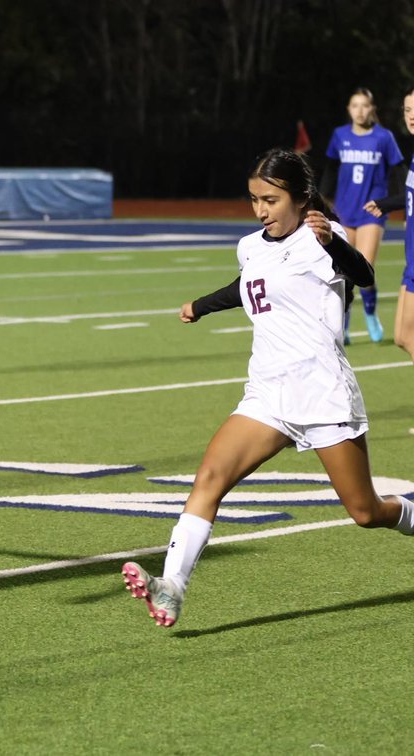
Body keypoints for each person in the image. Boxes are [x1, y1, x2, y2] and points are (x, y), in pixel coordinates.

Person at [122, 148, 414, 628]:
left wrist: (334, 244)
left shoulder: (324, 237)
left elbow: (363, 275)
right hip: (267, 393)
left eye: (271, 200)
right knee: (209, 480)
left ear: (300, 199)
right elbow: (248, 286)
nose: (261, 210)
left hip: (321, 391)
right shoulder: (251, 244)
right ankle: (171, 585)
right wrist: (200, 304)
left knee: (365, 511)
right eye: (255, 199)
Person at [320, 87, 405, 343]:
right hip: (344, 211)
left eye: (364, 105)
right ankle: (342, 324)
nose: (359, 110)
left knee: (364, 267)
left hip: (371, 212)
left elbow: (399, 173)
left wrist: (393, 202)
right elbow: (331, 170)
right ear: (349, 109)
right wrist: (322, 200)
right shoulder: (339, 135)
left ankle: (370, 313)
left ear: (372, 109)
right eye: (354, 105)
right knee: (343, 271)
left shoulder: (384, 137)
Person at [363, 85, 414, 365]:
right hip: (411, 261)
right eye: (408, 110)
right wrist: (387, 203)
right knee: (402, 337)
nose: (412, 115)